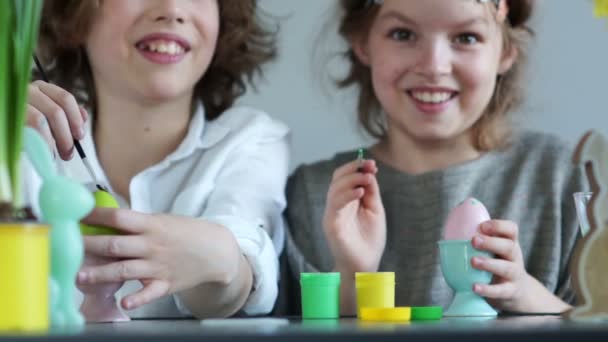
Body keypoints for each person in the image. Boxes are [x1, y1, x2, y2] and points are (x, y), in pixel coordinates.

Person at [285, 0, 586, 315]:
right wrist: (351, 275)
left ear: (506, 51)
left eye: (466, 38)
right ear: (362, 43)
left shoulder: (563, 180)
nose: (433, 66)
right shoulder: (314, 196)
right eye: (403, 34)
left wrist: (530, 298)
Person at [25, 0, 289, 319]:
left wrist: (219, 256)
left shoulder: (251, 141)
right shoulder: (22, 140)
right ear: (74, 14)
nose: (172, 9)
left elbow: (232, 282)